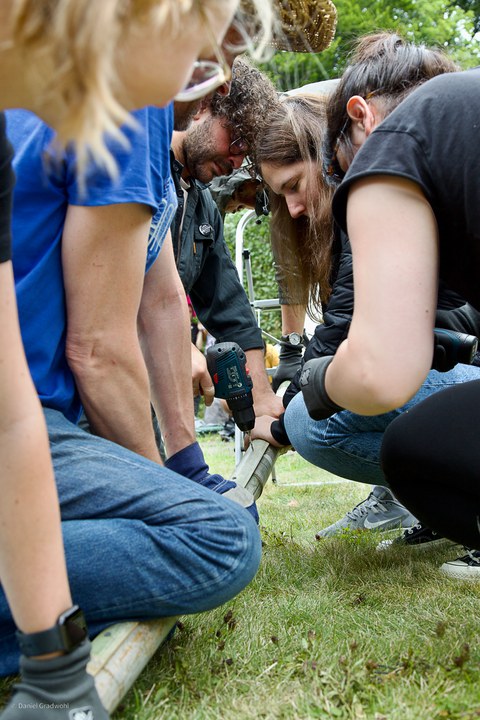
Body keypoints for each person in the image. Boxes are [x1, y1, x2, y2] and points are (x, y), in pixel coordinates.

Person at [0, 0, 276, 716]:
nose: (216, 66)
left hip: (31, 414)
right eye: (216, 41)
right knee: (221, 539)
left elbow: (164, 306)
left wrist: (185, 468)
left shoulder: (140, 138)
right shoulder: (128, 104)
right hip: (42, 413)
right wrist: (177, 494)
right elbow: (95, 348)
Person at [252, 35, 480, 572]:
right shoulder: (455, 114)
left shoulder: (392, 148)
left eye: (337, 163)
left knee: (325, 420)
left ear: (361, 115)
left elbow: (380, 370)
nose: (344, 178)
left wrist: (303, 395)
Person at [170, 57, 285, 422]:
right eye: (235, 140)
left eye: (246, 154)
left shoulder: (203, 207)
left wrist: (263, 400)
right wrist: (174, 345)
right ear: (204, 106)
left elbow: (230, 309)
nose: (236, 161)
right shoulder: (144, 173)